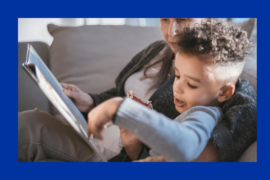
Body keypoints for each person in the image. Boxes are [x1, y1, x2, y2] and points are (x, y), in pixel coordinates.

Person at [18, 18, 257, 162]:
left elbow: (188, 145)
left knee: (30, 125)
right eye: (164, 19)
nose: (171, 32)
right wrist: (91, 101)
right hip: (105, 131)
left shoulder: (215, 103)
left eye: (183, 19)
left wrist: (123, 114)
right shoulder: (158, 51)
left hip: (114, 151)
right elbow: (119, 91)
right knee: (30, 121)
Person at [87, 20, 254, 162]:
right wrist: (134, 150)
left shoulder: (204, 113)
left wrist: (121, 109)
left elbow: (186, 146)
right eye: (177, 76)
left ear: (224, 93)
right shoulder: (159, 52)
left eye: (192, 85)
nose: (177, 88)